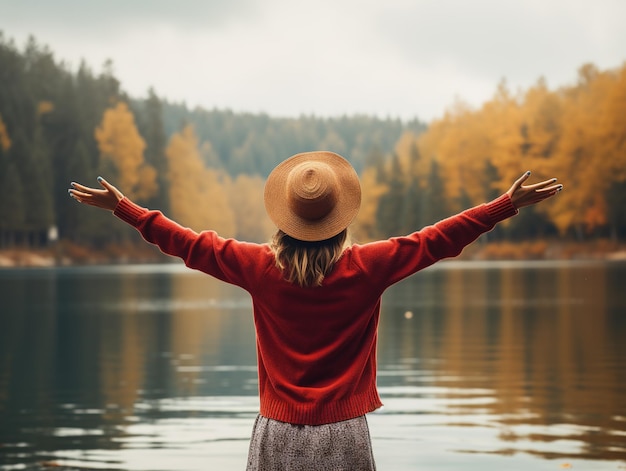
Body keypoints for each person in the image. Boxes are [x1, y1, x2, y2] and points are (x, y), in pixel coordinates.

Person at [68, 151, 562, 470]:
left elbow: (189, 244)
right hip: (345, 435)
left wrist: (125, 208)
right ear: (341, 217)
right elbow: (437, 240)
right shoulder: (369, 267)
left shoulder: (258, 267)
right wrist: (502, 206)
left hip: (276, 435)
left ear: (284, 219)